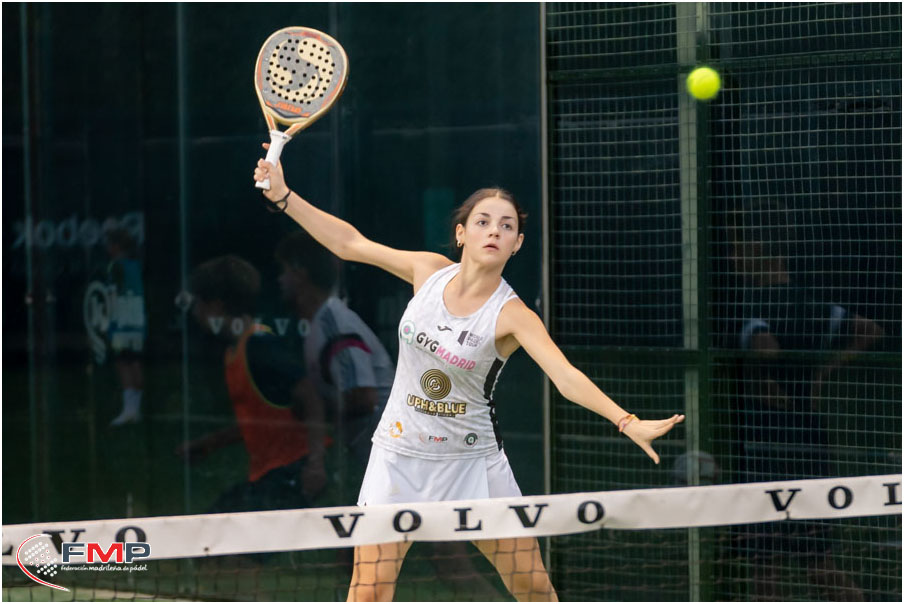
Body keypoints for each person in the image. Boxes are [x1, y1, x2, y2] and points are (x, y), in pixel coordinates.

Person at [254, 150, 685, 602]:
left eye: (506, 226)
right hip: (397, 457)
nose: (494, 231)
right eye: (483, 222)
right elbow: (350, 243)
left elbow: (566, 377)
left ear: (517, 243)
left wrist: (626, 421)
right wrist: (284, 196)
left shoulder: (513, 315)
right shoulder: (428, 271)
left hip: (473, 465)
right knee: (369, 590)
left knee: (533, 587)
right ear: (461, 234)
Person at [728, 200, 883, 601]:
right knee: (819, 564)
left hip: (765, 446)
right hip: (811, 442)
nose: (732, 257)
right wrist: (821, 374)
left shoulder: (749, 304)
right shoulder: (811, 304)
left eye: (738, 247)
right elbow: (869, 330)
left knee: (765, 569)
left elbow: (765, 346)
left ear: (757, 248)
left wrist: (759, 377)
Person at [176, 255, 330, 513]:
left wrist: (315, 465)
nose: (194, 313)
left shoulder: (259, 346)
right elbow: (263, 419)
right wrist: (212, 443)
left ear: (216, 306)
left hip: (291, 471)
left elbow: (310, 395)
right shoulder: (236, 351)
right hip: (270, 473)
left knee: (222, 533)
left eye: (198, 304)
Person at [105, 228, 147, 426]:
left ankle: (129, 410)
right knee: (134, 362)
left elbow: (112, 296)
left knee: (123, 363)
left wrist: (109, 323)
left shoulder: (115, 267)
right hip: (137, 322)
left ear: (116, 246)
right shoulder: (135, 266)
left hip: (122, 323)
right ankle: (135, 409)